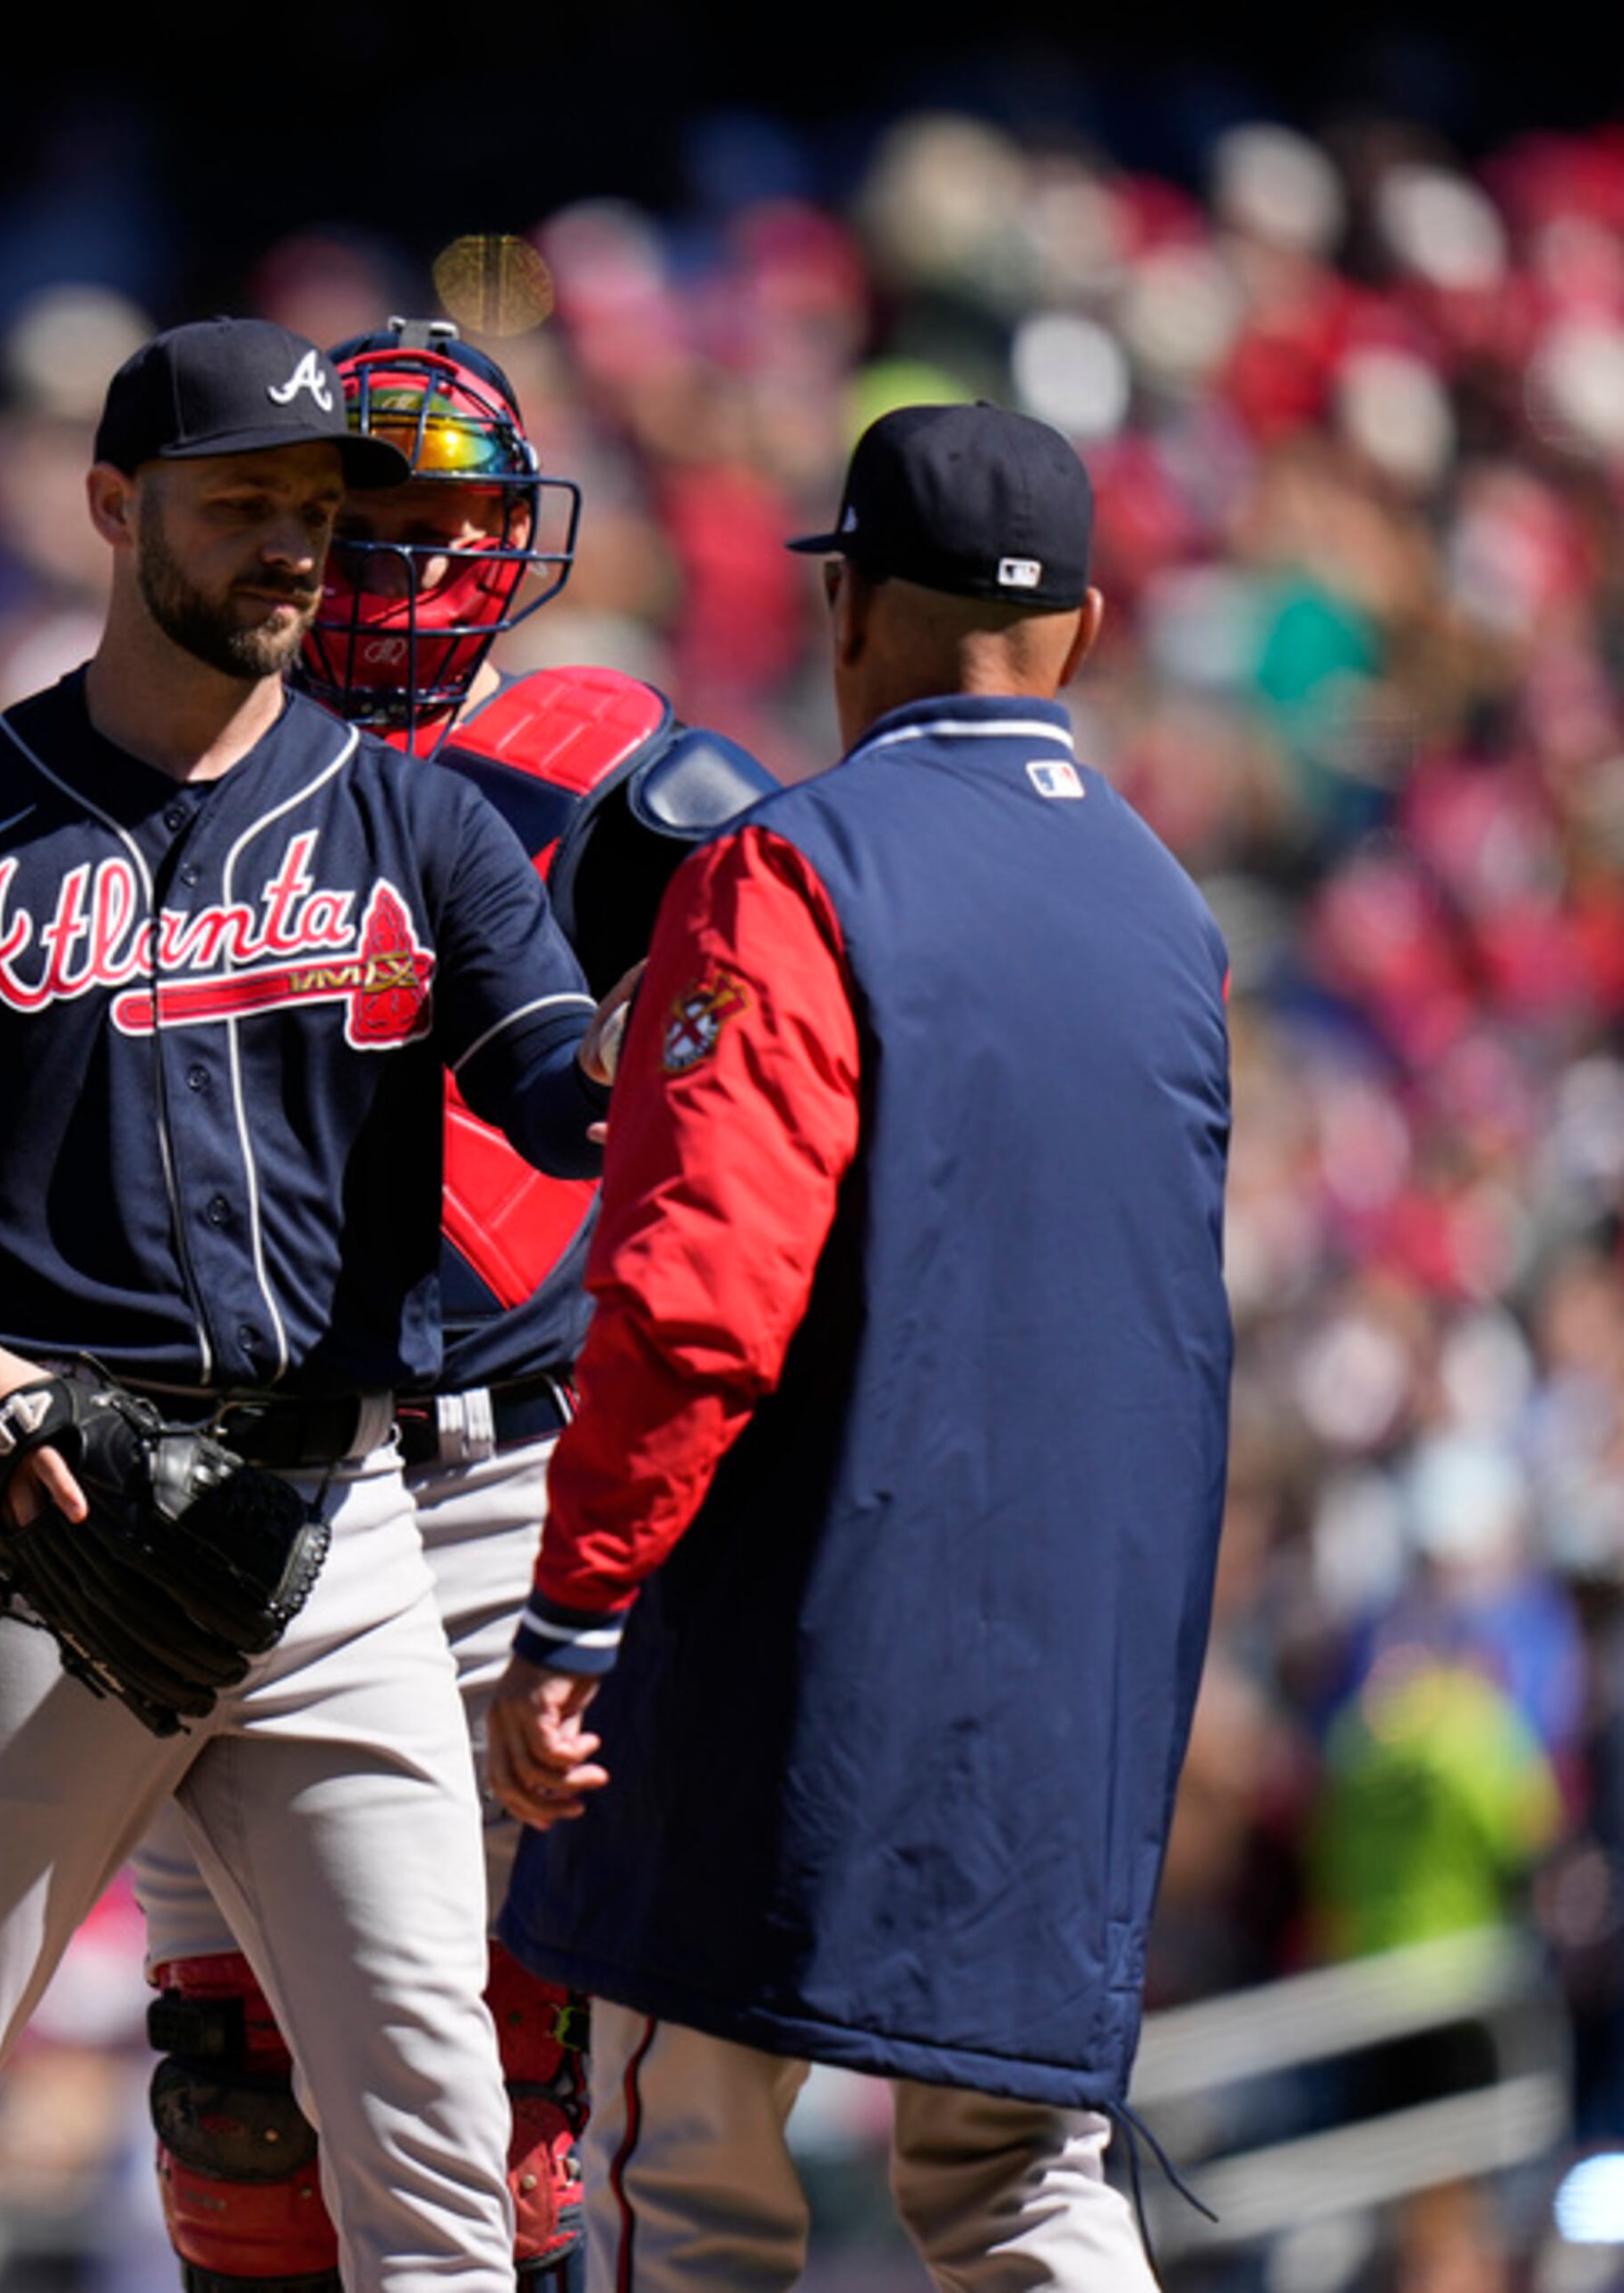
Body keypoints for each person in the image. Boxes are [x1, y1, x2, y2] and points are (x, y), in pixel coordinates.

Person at [0, 314, 611, 2293]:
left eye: (316, 509)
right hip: (47, 1509)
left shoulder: (419, 824)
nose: (292, 545)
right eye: (242, 503)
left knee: (445, 2161)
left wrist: (694, 1036)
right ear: (115, 507)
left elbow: (557, 1088)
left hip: (342, 1528)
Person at [482, 402, 1233, 2290]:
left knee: (696, 2185)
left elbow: (698, 1294)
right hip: (1085, 1656)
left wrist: (577, 1612)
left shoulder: (799, 869)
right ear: (1079, 627)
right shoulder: (1170, 912)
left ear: (852, 613)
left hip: (795, 1630)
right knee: (1024, 2192)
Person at [125, 318, 774, 2292]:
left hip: (500, 1463)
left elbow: (774, 1088)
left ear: (522, 538)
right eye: (368, 514)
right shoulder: (164, 750)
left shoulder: (617, 769)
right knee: (242, 2099)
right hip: (222, 1469)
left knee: (508, 2084)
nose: (406, 563)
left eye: (451, 520)